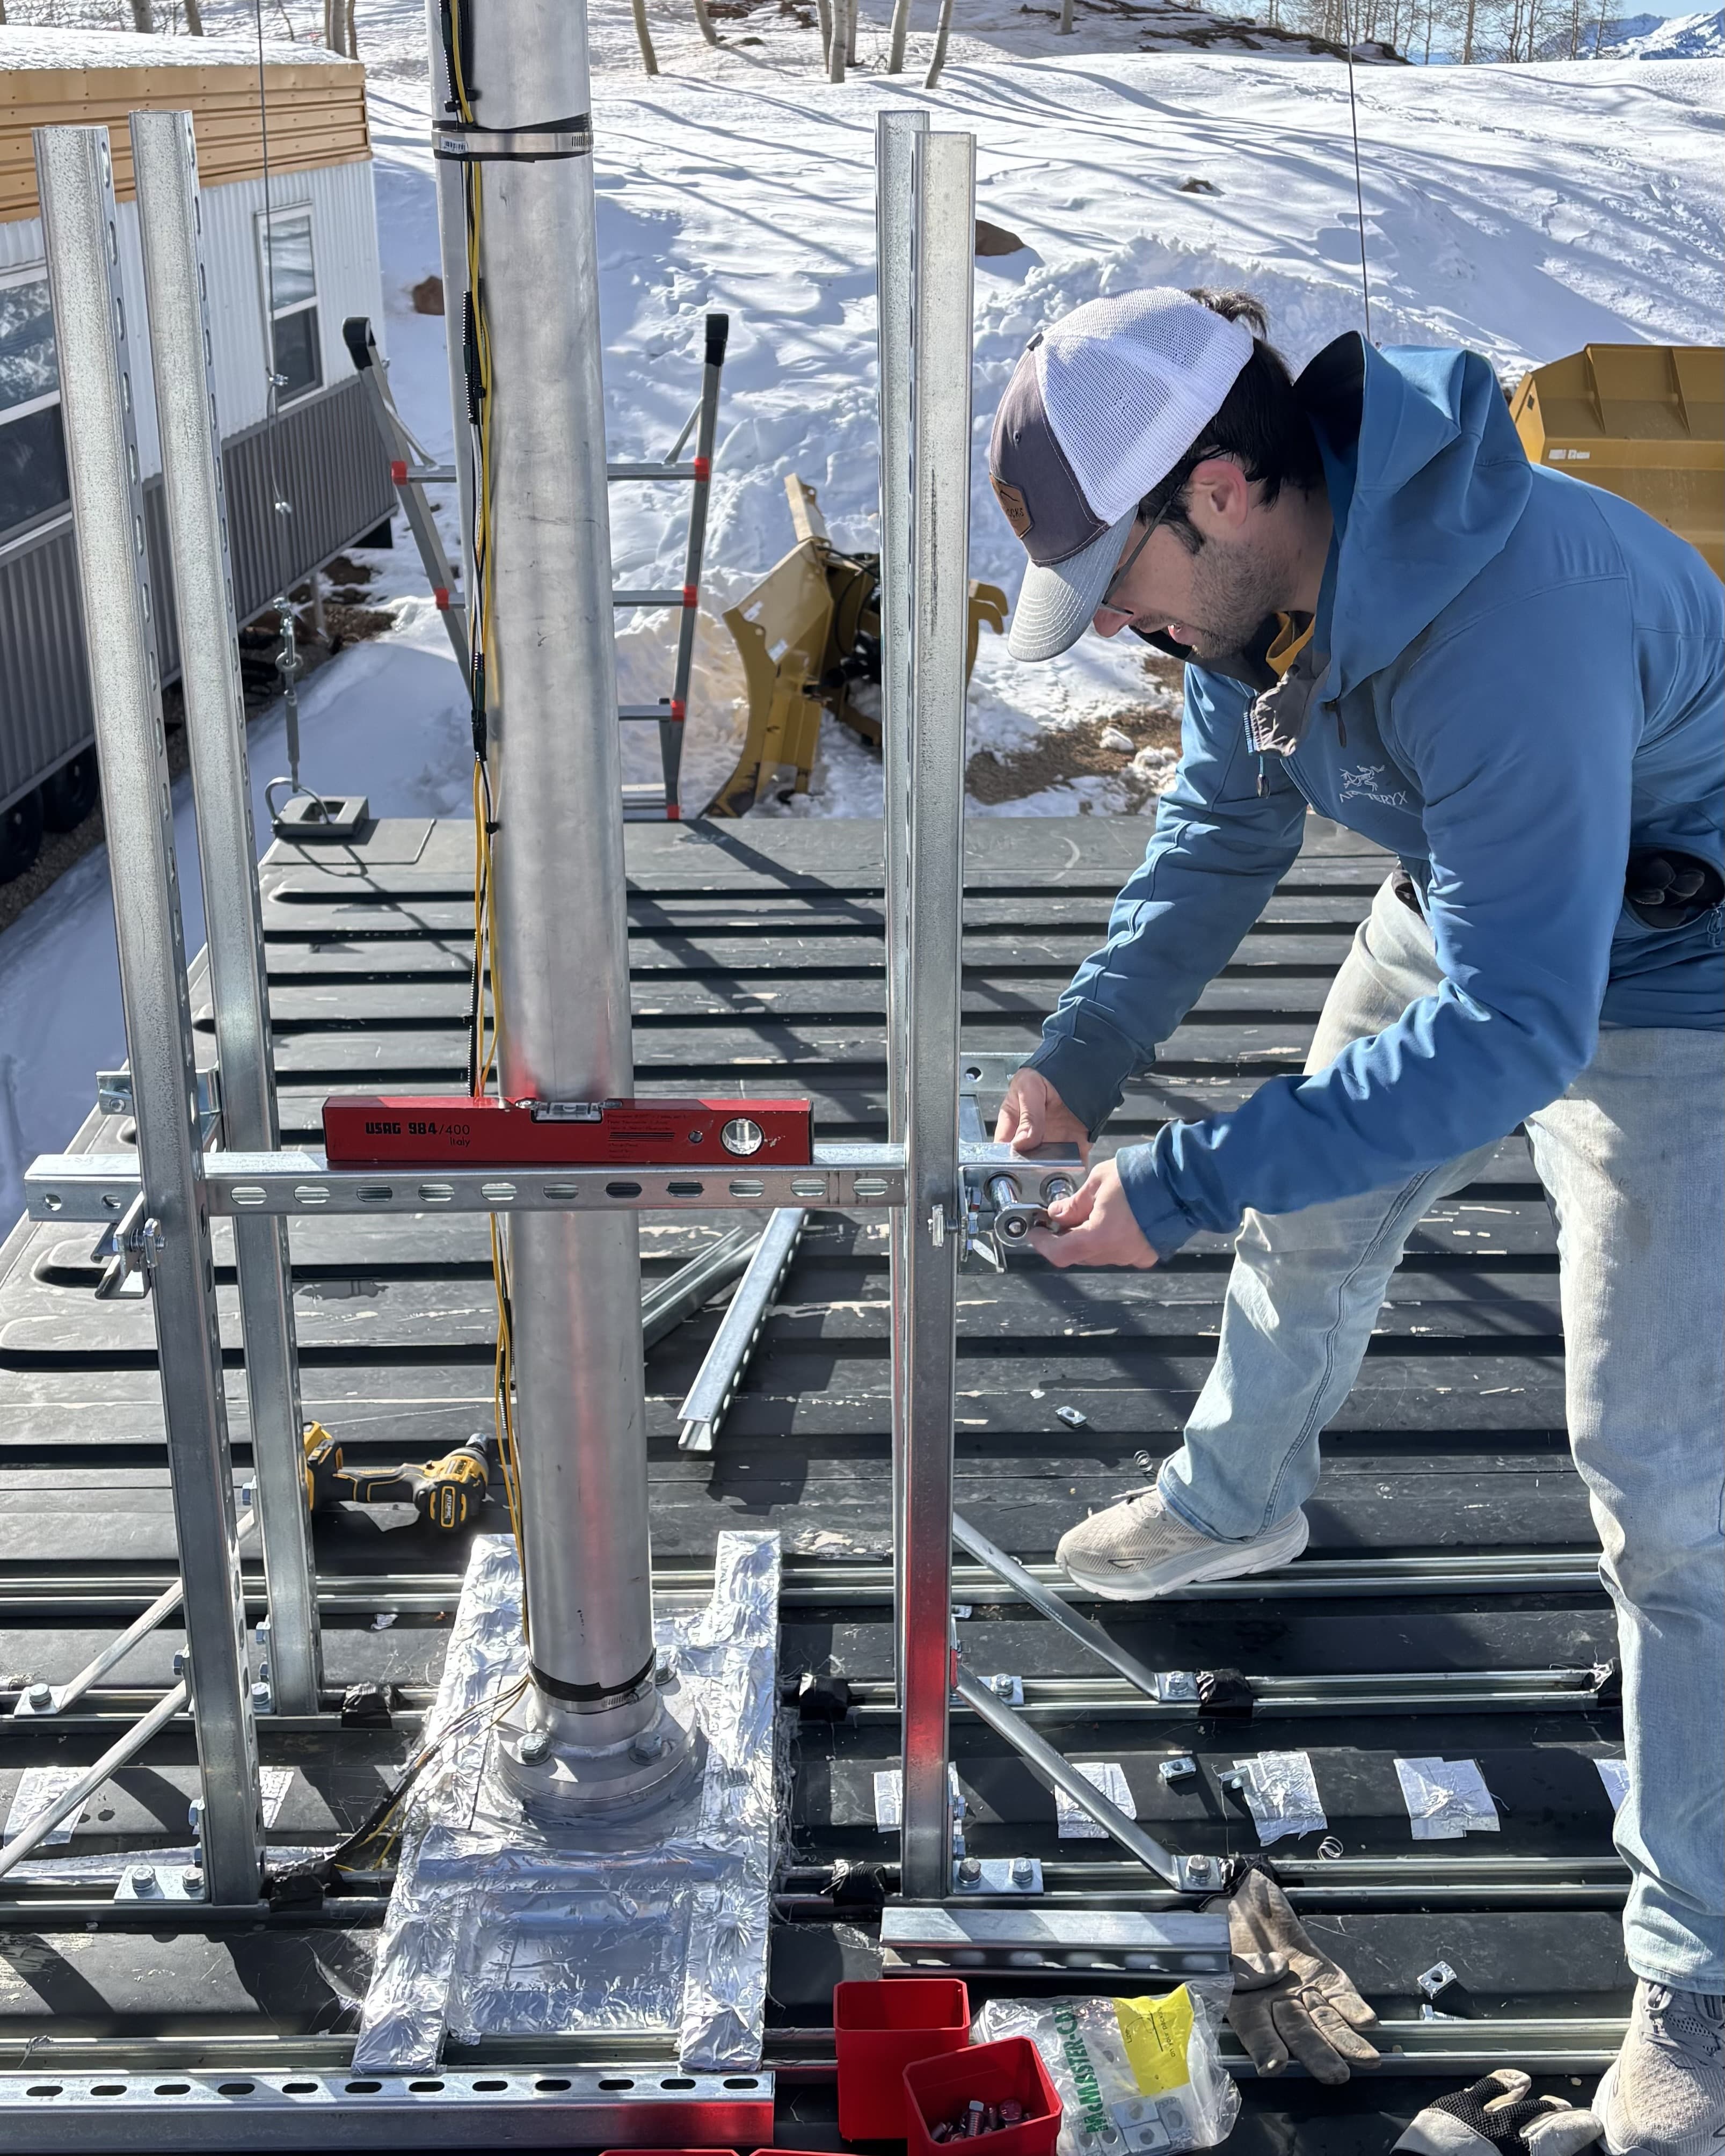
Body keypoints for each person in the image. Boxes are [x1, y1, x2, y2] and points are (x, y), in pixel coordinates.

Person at [985, 286, 1723, 2155]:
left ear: (1223, 489)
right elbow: (1221, 836)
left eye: (1129, 585)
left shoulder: (1512, 625)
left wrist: (1176, 1176)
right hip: (1472, 901)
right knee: (1314, 1220)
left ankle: (1702, 1975)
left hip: (1682, 973)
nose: (1134, 636)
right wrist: (1084, 1058)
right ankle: (1244, 1499)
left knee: (1663, 1480)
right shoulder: (1269, 608)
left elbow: (1520, 1032)